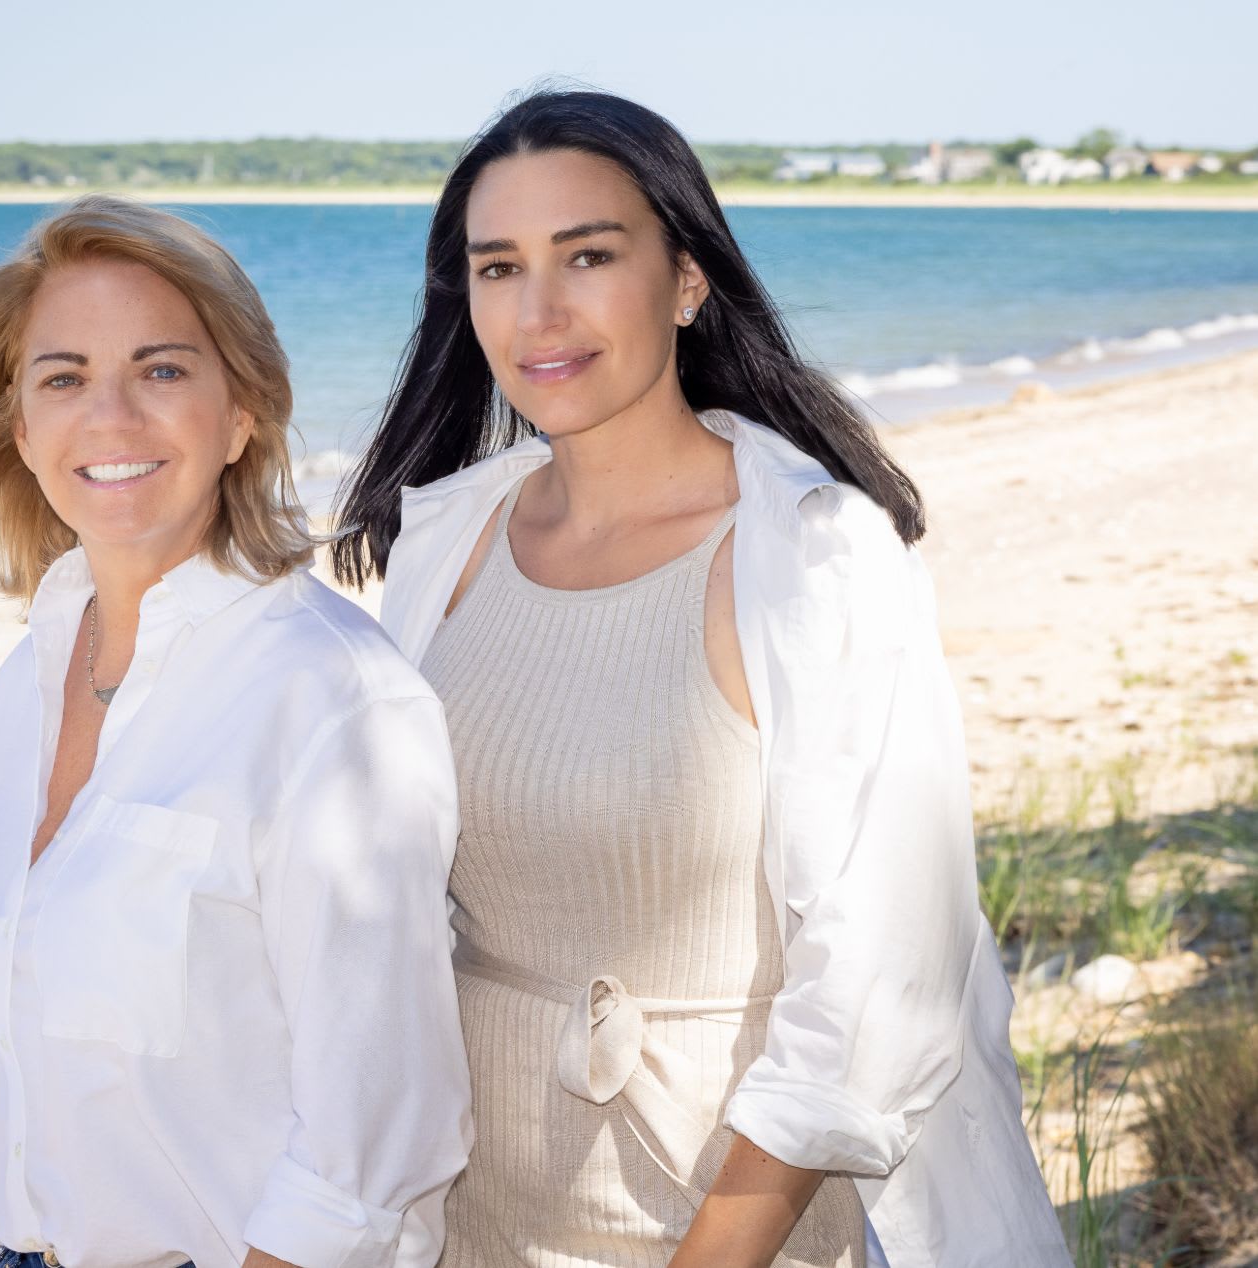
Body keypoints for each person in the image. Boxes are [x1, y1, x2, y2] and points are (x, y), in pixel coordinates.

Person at [333, 91, 1069, 1268]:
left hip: (721, 1226)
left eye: (589, 255)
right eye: (499, 266)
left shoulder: (815, 554)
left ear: (686, 279)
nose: (540, 310)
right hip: (459, 1221)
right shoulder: (442, 540)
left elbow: (883, 974)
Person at [0, 194, 470, 1268]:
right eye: (62, 376)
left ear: (242, 411)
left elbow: (375, 1148)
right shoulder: (26, 678)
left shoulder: (336, 701)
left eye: (162, 369)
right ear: (19, 427)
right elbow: (4, 1074)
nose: (109, 418)